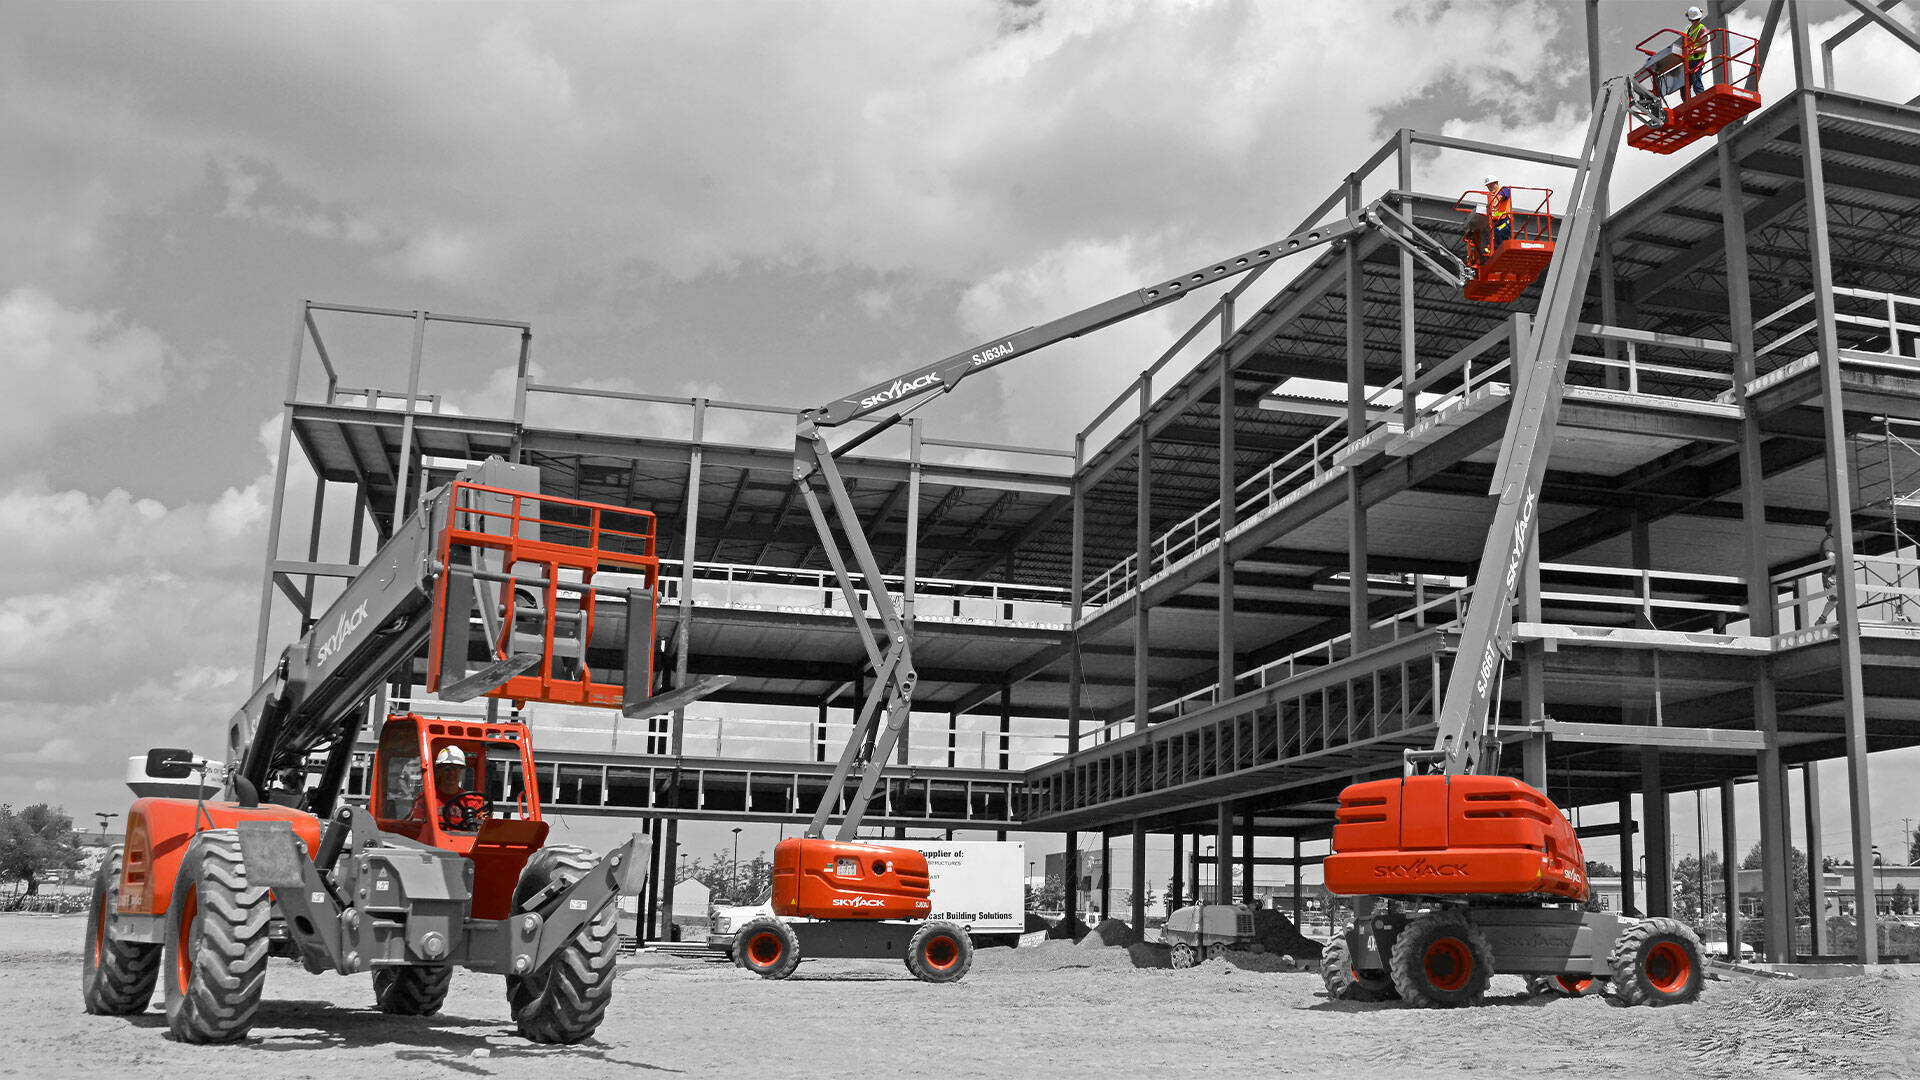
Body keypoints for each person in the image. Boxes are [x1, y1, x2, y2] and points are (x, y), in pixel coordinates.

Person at [1684, 6, 1709, 97]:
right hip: (1688, 61)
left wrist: (1691, 50)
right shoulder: (1688, 30)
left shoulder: (1702, 30)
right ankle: (1687, 105)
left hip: (1697, 60)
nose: (1695, 21)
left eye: (1696, 19)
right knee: (1684, 86)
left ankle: (1702, 100)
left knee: (1696, 83)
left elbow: (1704, 49)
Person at [1485, 176, 1513, 250]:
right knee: (1490, 237)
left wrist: (1497, 200)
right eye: (1488, 186)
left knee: (1499, 232)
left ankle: (1501, 252)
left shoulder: (1503, 190)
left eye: (1491, 185)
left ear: (1496, 183)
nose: (1490, 188)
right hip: (1496, 222)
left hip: (1504, 220)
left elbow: (1503, 195)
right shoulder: (1491, 197)